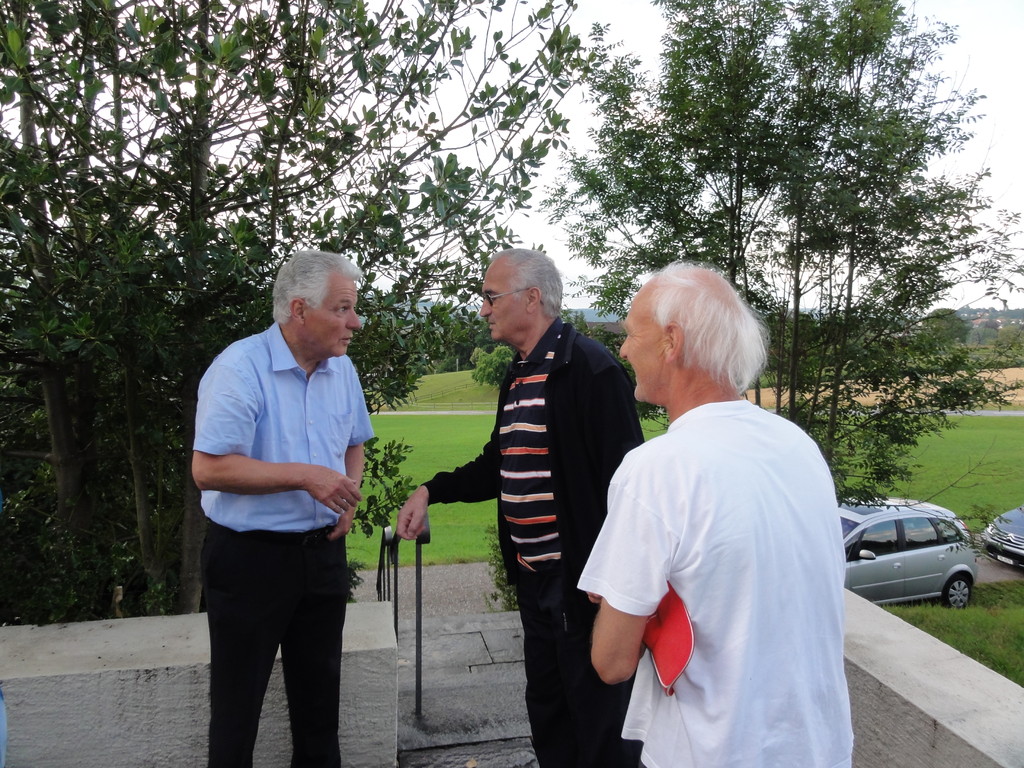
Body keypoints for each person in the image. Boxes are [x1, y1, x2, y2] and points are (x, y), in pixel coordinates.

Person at [578, 262, 853, 768]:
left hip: (713, 751)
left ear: (671, 342)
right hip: (818, 748)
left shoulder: (657, 468)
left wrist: (626, 603)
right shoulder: (797, 445)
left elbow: (611, 663)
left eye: (632, 334)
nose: (624, 350)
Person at [397, 248, 644, 767]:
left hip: (582, 586)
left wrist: (612, 583)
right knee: (549, 713)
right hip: (534, 581)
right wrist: (430, 491)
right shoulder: (520, 372)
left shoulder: (591, 370)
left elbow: (628, 488)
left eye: (491, 297)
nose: (483, 309)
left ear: (531, 298)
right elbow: (499, 462)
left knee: (599, 722)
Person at [192, 250, 374, 768]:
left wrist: (348, 497)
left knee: (320, 707)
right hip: (250, 561)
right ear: (299, 310)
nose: (355, 322)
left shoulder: (342, 369)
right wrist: (306, 476)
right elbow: (209, 470)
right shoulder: (239, 368)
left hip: (323, 558)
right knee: (237, 710)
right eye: (343, 308)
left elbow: (355, 442)